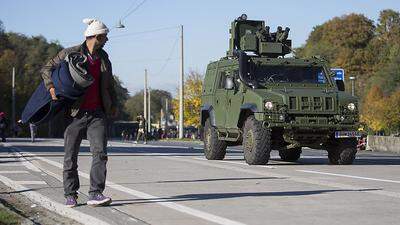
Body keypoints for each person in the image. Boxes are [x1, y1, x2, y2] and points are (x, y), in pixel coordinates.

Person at [40, 18, 118, 207]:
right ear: (97, 37)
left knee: (100, 154)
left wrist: (113, 104)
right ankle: (70, 194)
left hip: (97, 113)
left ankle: (95, 193)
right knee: (70, 156)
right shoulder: (70, 53)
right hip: (74, 113)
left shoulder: (104, 57)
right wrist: (51, 87)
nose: (107, 40)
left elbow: (110, 84)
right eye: (105, 36)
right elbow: (46, 68)